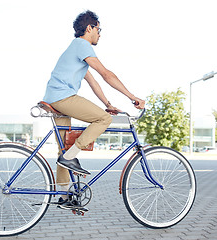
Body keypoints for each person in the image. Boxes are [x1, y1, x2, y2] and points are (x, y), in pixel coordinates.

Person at [43, 10, 145, 209]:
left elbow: (93, 81)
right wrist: (133, 97)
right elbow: (106, 74)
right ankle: (70, 157)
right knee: (102, 120)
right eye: (99, 29)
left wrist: (107, 104)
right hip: (63, 97)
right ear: (89, 28)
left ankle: (64, 196)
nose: (100, 34)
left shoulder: (75, 49)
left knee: (64, 149)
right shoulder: (82, 45)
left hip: (54, 98)